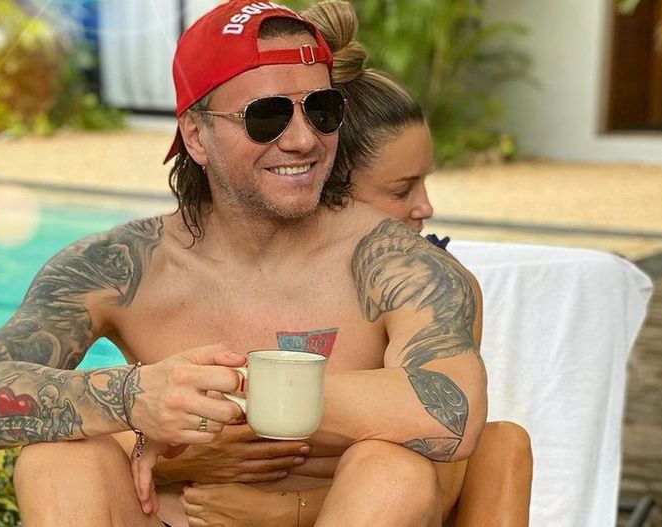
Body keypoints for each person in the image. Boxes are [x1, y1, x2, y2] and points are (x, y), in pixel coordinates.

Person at [0, 2, 487, 526]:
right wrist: (134, 398)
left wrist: (229, 393)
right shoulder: (120, 267)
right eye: (266, 116)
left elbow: (454, 413)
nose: (303, 139)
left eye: (323, 111)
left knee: (394, 471)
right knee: (58, 460)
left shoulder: (398, 266)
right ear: (196, 136)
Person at [164, 3, 532, 526]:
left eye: (424, 183)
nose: (425, 207)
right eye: (401, 190)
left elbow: (439, 479)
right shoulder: (213, 272)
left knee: (502, 444)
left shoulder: (427, 286)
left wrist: (284, 512)